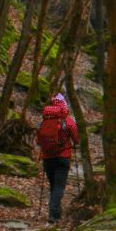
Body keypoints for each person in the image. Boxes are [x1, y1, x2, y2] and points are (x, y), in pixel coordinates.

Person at [38, 93, 79, 224]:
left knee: (53, 185)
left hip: (47, 156)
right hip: (63, 156)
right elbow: (76, 140)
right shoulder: (67, 120)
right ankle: (54, 213)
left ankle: (55, 210)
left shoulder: (45, 119)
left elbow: (38, 139)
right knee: (59, 186)